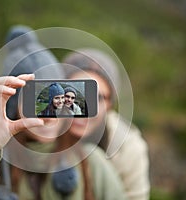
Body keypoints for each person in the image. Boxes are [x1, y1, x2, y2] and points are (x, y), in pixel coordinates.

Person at [0, 25, 127, 200]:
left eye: (58, 99)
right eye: (38, 101)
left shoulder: (91, 163)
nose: (48, 116)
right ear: (13, 109)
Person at [62, 48, 150, 200]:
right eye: (76, 93)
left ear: (110, 104)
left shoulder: (128, 148)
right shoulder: (42, 130)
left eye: (98, 98)